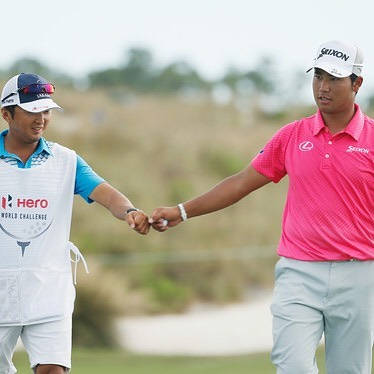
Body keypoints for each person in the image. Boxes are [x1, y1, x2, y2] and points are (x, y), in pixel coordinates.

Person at [150, 40, 374, 373]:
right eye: (318, 76)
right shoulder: (292, 135)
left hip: (359, 274)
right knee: (292, 366)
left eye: (334, 79)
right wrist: (182, 211)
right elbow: (241, 182)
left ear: (356, 84)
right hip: (299, 272)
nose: (323, 87)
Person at [0, 73, 150, 374]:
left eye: (46, 111)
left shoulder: (66, 160)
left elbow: (106, 193)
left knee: (53, 370)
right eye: (32, 111)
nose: (41, 118)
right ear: (7, 114)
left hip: (48, 291)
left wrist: (130, 211)